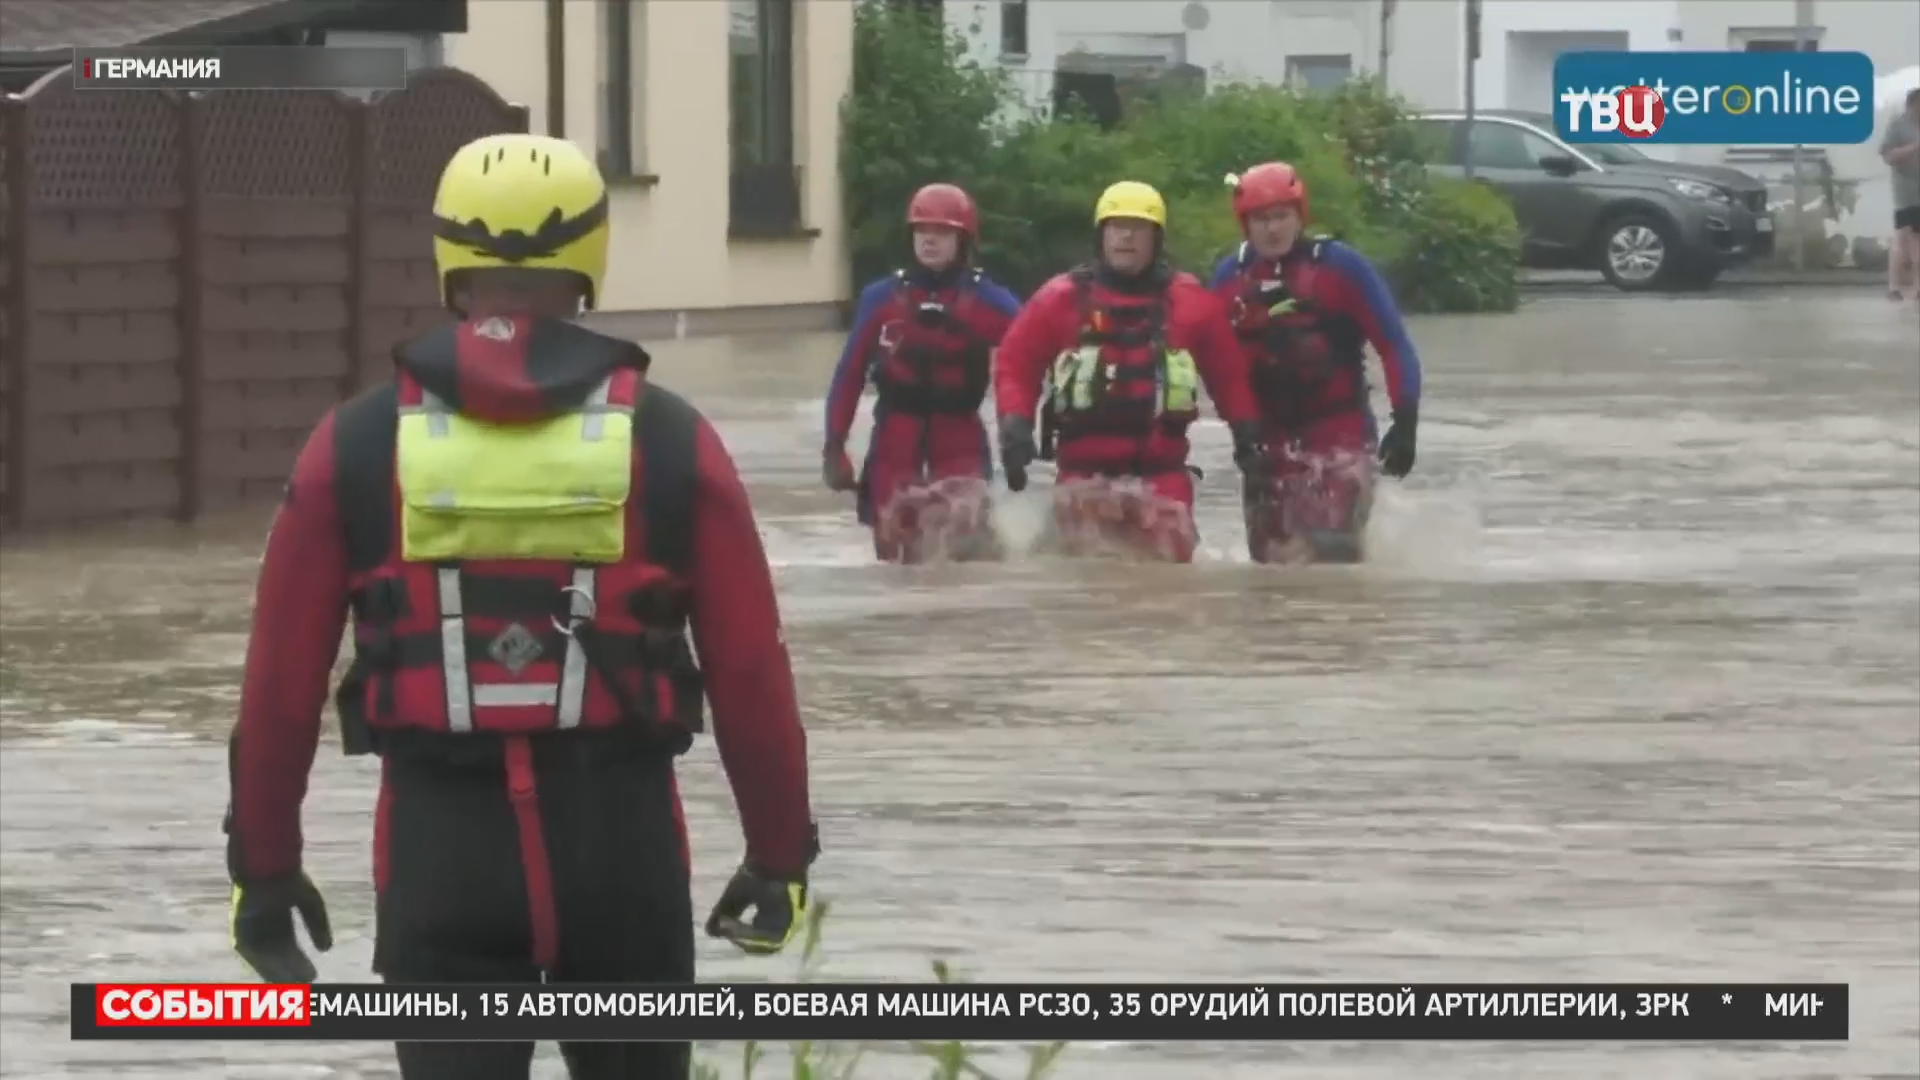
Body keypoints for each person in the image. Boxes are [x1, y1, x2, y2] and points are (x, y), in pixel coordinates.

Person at [222, 133, 818, 1080]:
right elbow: (751, 670)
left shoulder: (353, 444)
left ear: (450, 261)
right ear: (590, 260)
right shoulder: (670, 440)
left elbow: (278, 687)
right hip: (622, 858)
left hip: (438, 859)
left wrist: (264, 865)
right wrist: (779, 853)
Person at [993, 180, 1264, 562]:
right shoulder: (1060, 298)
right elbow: (1015, 364)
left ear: (1156, 239)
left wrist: (1247, 436)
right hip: (1082, 479)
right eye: (1116, 227)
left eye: (1138, 229)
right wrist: (1015, 423)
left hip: (1162, 478)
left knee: (1166, 585)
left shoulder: (1191, 302)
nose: (1125, 237)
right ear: (1100, 236)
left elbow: (1230, 378)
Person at [1210, 162, 1423, 565]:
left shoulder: (1341, 269)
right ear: (1245, 224)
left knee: (1325, 550)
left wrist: (1406, 418)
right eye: (1260, 219)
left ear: (1299, 216)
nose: (1272, 230)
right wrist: (1241, 436)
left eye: (1281, 217)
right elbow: (1214, 368)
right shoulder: (1228, 277)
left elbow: (1393, 345)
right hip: (1267, 442)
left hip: (1339, 435)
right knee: (1270, 561)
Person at [824, 183, 1021, 562]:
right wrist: (834, 446)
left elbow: (1029, 357)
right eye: (921, 231)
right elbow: (849, 374)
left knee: (967, 560)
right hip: (892, 445)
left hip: (960, 443)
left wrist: (1019, 432)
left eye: (942, 232)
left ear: (963, 240)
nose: (929, 240)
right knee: (894, 561)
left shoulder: (992, 302)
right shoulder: (879, 298)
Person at [1880, 88, 1920, 304]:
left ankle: (1918, 287)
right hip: (1904, 189)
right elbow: (1887, 156)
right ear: (1912, 105)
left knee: (1918, 240)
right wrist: (1913, 147)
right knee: (1902, 236)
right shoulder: (1898, 126)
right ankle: (1894, 288)